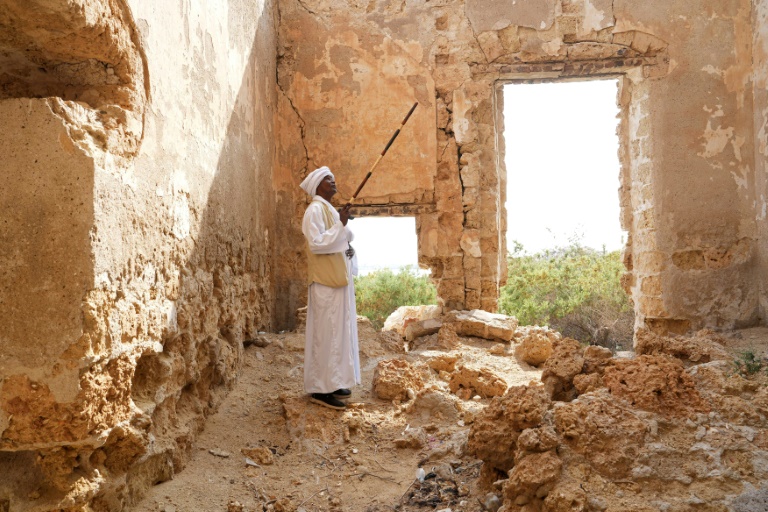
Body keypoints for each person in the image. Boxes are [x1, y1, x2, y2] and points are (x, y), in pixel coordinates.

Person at [300, 166, 361, 410]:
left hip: (336, 281)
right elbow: (316, 244)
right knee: (325, 335)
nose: (333, 181)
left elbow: (345, 238)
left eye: (334, 178)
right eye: (328, 179)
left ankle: (333, 383)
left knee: (337, 334)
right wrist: (340, 224)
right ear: (317, 185)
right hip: (325, 283)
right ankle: (319, 389)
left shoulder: (329, 210)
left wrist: (342, 224)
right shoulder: (314, 210)